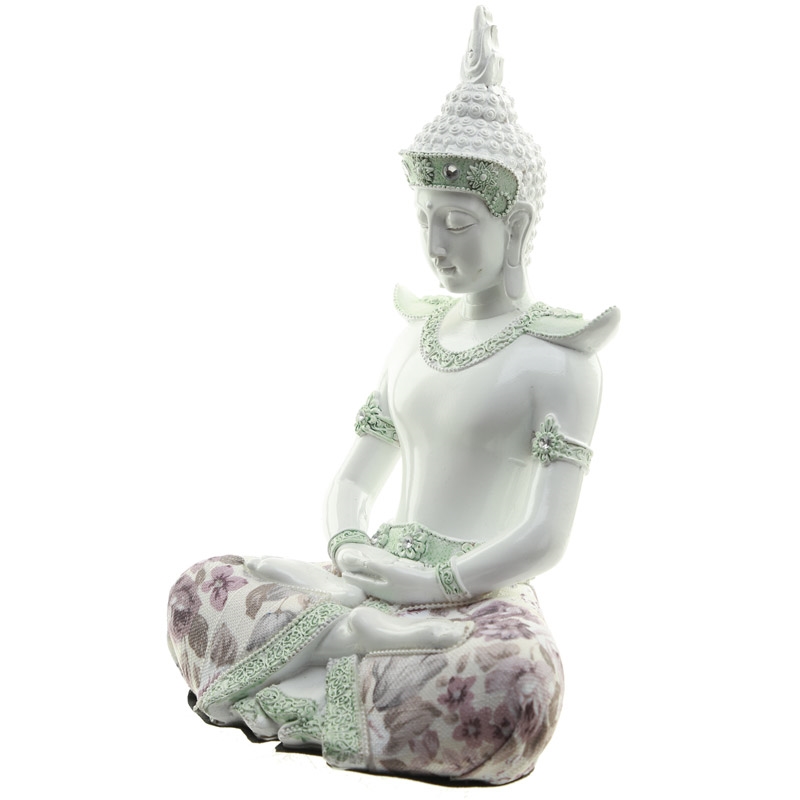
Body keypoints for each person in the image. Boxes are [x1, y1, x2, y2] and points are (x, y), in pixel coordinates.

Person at [167, 6, 619, 784]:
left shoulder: (561, 361)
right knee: (197, 588)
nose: (437, 246)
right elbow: (354, 478)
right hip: (369, 576)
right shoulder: (415, 336)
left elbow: (547, 534)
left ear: (516, 225)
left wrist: (436, 585)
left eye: (458, 223)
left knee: (516, 687)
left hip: (475, 598)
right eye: (425, 222)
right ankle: (354, 641)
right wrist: (349, 548)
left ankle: (318, 659)